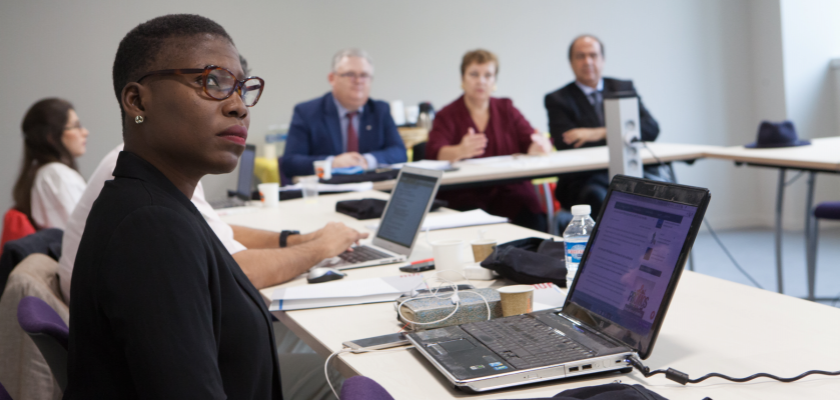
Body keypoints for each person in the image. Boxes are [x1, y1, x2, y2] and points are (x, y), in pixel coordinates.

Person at [66, 14, 296, 398]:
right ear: (137, 100)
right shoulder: (149, 227)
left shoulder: (159, 200)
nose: (239, 106)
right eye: (213, 82)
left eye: (241, 87)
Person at [57, 143, 366, 303]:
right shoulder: (145, 175)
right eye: (211, 86)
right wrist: (321, 248)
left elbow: (216, 232)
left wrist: (298, 240)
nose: (237, 108)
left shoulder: (144, 158)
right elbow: (239, 271)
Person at [426, 49, 552, 232]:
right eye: (474, 74)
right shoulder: (447, 114)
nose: (481, 81)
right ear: (462, 79)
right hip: (465, 194)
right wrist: (459, 150)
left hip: (509, 191)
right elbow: (434, 152)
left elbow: (529, 140)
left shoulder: (506, 108)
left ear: (494, 81)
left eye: (488, 75)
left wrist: (539, 145)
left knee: (531, 216)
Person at [544, 35, 660, 215]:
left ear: (602, 59)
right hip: (584, 179)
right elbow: (565, 142)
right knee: (604, 199)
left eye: (593, 55)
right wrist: (620, 135)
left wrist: (599, 133)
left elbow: (651, 128)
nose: (587, 61)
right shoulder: (558, 99)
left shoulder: (623, 87)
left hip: (630, 170)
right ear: (571, 62)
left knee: (664, 194)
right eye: (580, 56)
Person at [281, 48, 406, 177]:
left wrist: (366, 160)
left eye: (364, 75)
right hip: (327, 189)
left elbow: (399, 153)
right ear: (332, 78)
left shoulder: (380, 110)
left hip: (371, 186)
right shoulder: (306, 112)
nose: (358, 81)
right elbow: (290, 162)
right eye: (350, 74)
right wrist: (333, 162)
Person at [12, 98, 89, 230]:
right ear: (51, 137)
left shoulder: (46, 173)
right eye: (76, 126)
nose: (85, 132)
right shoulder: (57, 175)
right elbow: (82, 232)